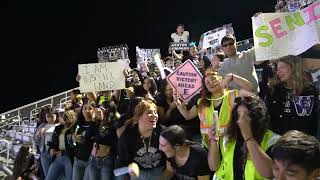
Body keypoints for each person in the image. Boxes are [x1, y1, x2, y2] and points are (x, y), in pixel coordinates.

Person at [208, 95, 280, 179]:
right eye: (238, 114)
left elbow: (269, 173)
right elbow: (214, 167)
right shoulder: (229, 137)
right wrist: (213, 141)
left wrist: (248, 138)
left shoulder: (273, 140)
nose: (240, 120)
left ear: (257, 117)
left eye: (246, 115)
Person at [197, 71, 254, 148]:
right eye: (207, 82)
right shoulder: (201, 102)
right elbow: (203, 127)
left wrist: (232, 76)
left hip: (231, 143)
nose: (211, 82)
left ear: (221, 79)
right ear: (206, 88)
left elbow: (251, 89)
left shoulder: (233, 95)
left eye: (213, 79)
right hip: (212, 145)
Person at [266, 55, 320, 136]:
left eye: (283, 67)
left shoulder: (308, 91)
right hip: (277, 142)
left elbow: (313, 121)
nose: (278, 72)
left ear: (294, 67)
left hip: (301, 142)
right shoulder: (274, 90)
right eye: (277, 68)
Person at [117, 100, 166, 180]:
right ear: (138, 117)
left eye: (155, 112)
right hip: (138, 174)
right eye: (149, 112)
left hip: (159, 172)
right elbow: (123, 160)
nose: (154, 115)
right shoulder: (128, 136)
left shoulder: (163, 133)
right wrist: (131, 167)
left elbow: (170, 159)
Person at [86, 100, 119, 180]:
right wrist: (94, 121)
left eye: (102, 108)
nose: (99, 110)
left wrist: (101, 121)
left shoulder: (114, 124)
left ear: (108, 110)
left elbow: (104, 138)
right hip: (93, 158)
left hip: (106, 160)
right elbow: (88, 136)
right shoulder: (97, 121)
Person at [46, 110, 77, 180]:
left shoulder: (74, 129)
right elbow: (52, 142)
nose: (62, 118)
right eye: (62, 116)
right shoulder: (58, 128)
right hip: (58, 158)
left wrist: (63, 152)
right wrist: (50, 149)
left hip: (69, 159)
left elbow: (74, 146)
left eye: (65, 117)